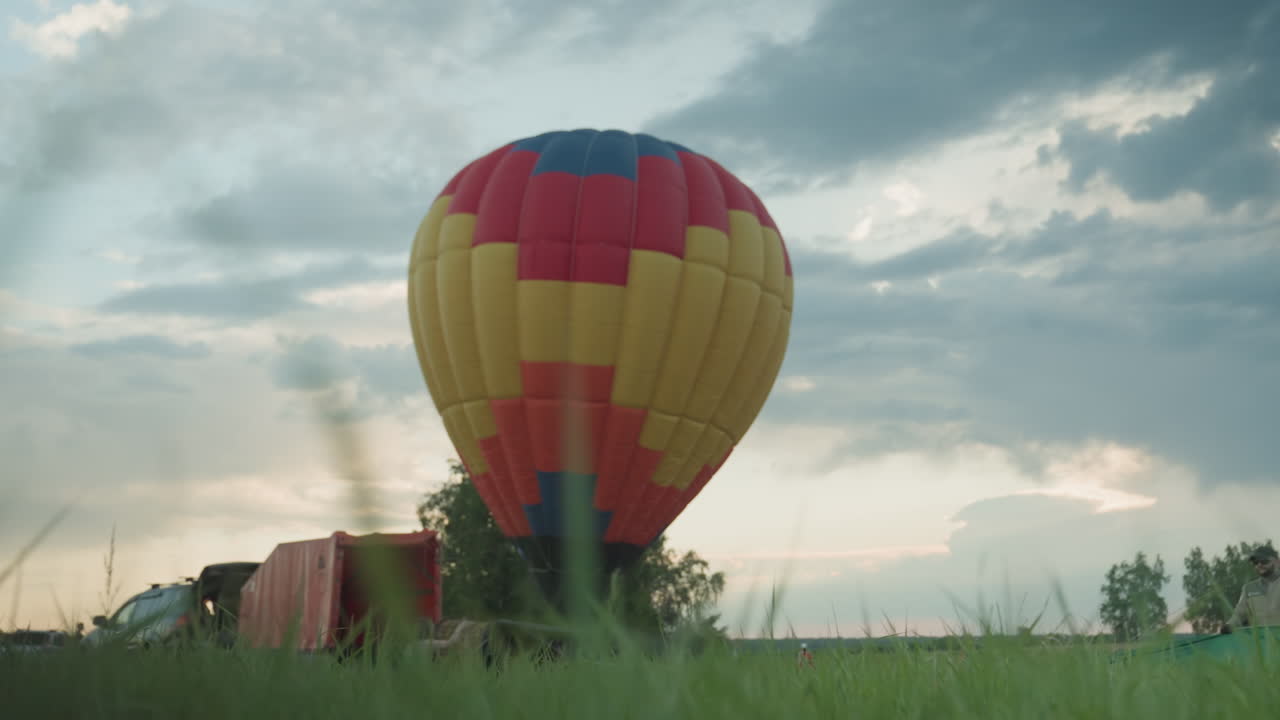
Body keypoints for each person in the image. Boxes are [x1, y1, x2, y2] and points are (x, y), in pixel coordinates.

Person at [1220, 545, 1280, 633]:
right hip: (1259, 642)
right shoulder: (1248, 588)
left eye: (1264, 561)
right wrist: (1229, 625)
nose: (1259, 565)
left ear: (1277, 562)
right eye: (1255, 562)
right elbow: (1240, 614)